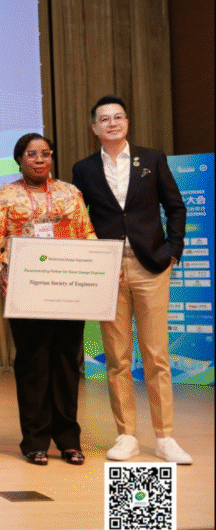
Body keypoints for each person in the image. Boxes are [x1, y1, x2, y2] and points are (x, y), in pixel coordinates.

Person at [71, 95, 191, 465]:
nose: (112, 123)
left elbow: (175, 207)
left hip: (151, 265)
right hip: (109, 271)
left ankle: (165, 437)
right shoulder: (84, 169)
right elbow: (79, 219)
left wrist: (172, 250)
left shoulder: (152, 159)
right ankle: (126, 436)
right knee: (117, 357)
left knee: (156, 355)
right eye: (104, 119)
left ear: (127, 122)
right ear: (94, 128)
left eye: (118, 117)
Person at [0, 133, 96, 466]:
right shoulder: (2, 197)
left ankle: (69, 440)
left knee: (67, 362)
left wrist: (98, 271)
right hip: (26, 289)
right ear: (19, 159)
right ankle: (35, 441)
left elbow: (86, 233)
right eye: (32, 154)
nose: (39, 160)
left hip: (68, 287)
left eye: (45, 154)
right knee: (34, 364)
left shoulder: (70, 193)